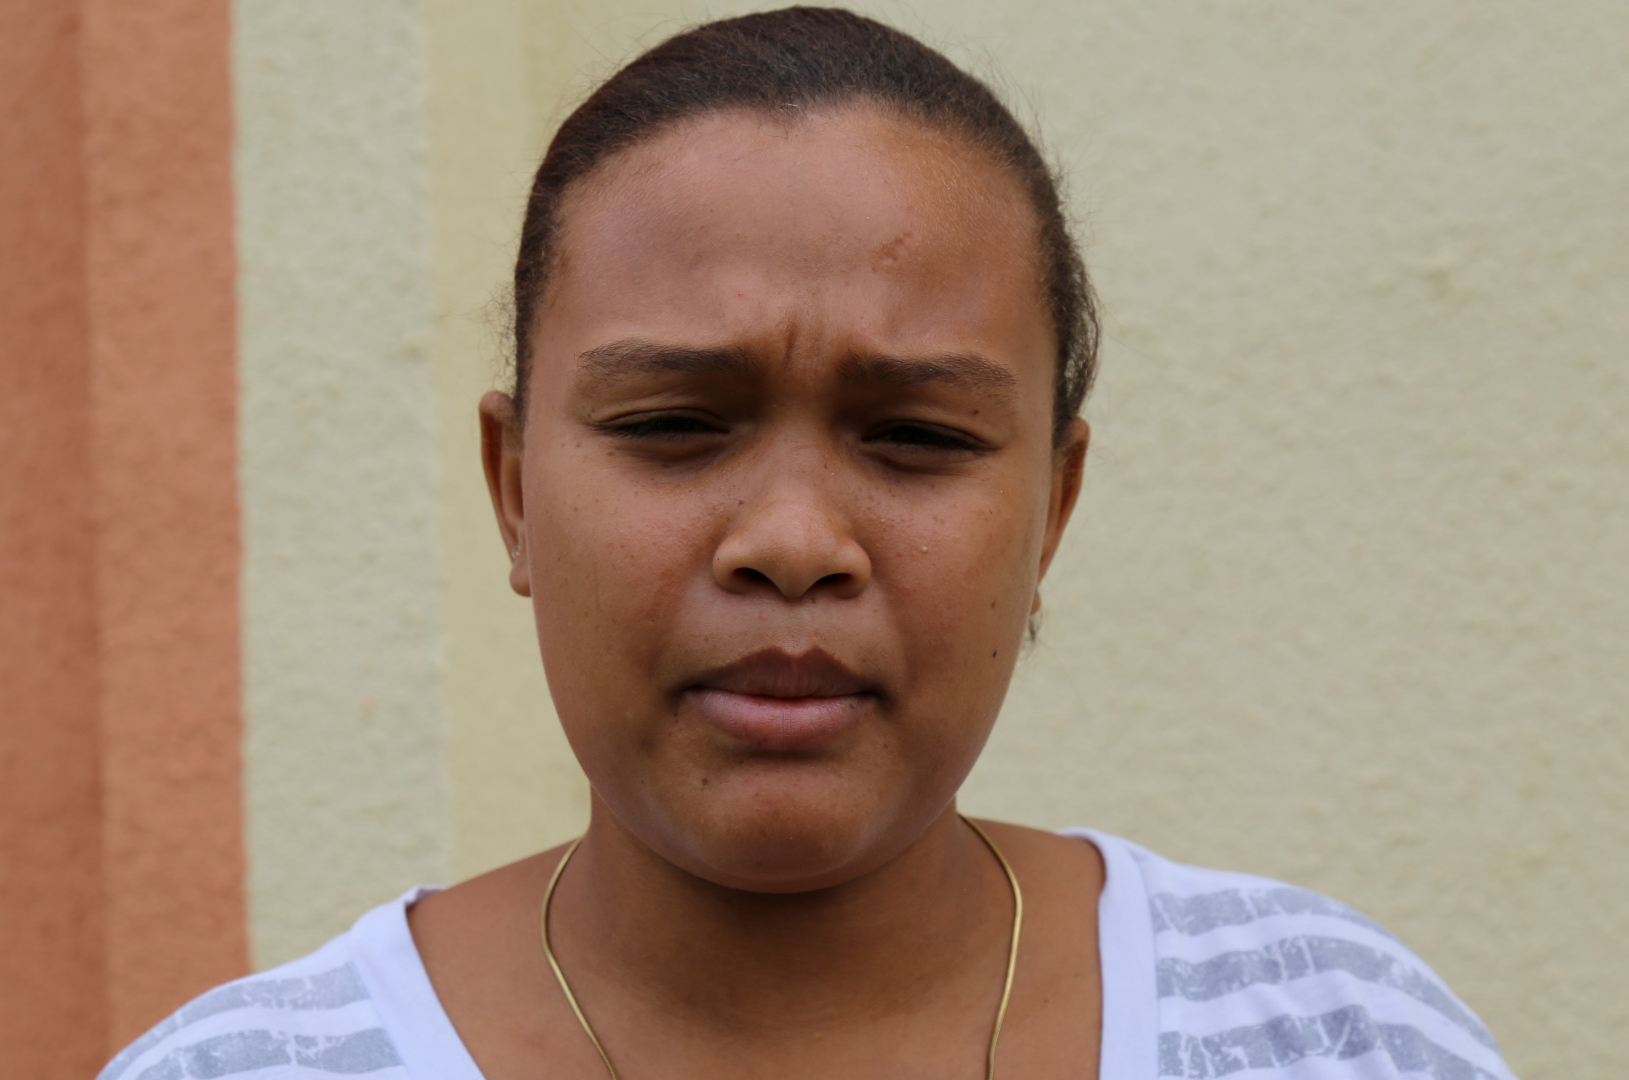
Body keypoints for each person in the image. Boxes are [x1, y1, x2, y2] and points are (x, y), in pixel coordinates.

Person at [100, 9, 1516, 1079]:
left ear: (1052, 510)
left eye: (918, 437)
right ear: (515, 488)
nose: (792, 542)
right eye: (672, 424)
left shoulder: (1327, 1032)